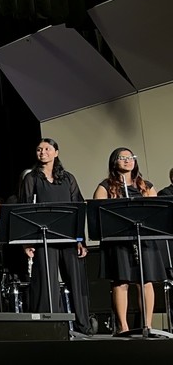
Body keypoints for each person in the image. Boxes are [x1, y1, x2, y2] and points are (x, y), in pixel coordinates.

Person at [17, 138, 92, 335]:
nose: (42, 152)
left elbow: (78, 208)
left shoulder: (68, 178)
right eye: (39, 149)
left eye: (47, 149)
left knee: (76, 282)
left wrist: (80, 240)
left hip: (68, 238)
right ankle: (50, 328)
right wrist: (26, 243)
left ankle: (82, 326)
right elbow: (24, 210)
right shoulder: (31, 178)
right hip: (44, 239)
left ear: (56, 152)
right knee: (46, 283)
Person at [92, 147, 166, 335]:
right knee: (121, 281)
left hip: (144, 240)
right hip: (119, 241)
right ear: (114, 162)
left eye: (130, 157)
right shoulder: (105, 186)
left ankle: (147, 325)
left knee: (146, 281)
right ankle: (123, 326)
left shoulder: (146, 186)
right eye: (122, 158)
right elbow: (97, 214)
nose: (127, 160)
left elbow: (157, 213)